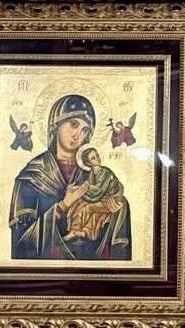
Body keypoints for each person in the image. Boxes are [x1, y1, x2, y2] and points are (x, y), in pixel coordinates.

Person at [9, 94, 132, 260]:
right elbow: (21, 245)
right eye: (74, 124)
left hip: (94, 265)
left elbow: (113, 201)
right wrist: (63, 206)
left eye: (85, 130)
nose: (78, 135)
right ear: (55, 125)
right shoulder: (31, 177)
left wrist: (115, 204)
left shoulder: (93, 174)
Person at [63, 147, 125, 243]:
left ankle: (79, 232)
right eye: (93, 158)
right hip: (101, 198)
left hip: (113, 199)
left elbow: (97, 191)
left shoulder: (105, 172)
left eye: (97, 155)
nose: (97, 158)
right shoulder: (92, 174)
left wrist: (78, 189)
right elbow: (92, 191)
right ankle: (76, 231)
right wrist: (77, 190)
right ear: (88, 163)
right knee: (79, 204)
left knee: (88, 208)